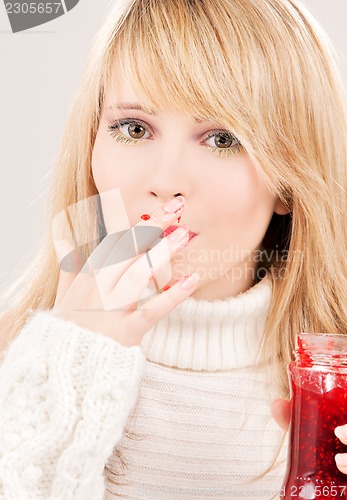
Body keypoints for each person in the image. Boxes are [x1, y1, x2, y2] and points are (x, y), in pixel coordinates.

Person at [0, 0, 346, 498]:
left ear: (290, 184)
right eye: (134, 129)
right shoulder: (16, 357)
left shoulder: (332, 391)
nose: (165, 182)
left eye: (223, 138)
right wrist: (61, 374)